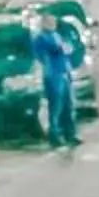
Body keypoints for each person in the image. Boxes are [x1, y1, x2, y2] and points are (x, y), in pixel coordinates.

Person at [31, 13, 80, 148]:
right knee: (56, 107)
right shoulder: (41, 38)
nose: (54, 24)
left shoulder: (56, 35)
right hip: (53, 74)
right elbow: (54, 50)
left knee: (68, 105)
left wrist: (64, 48)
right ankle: (55, 136)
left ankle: (70, 134)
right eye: (50, 21)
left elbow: (68, 48)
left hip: (64, 72)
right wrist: (61, 48)